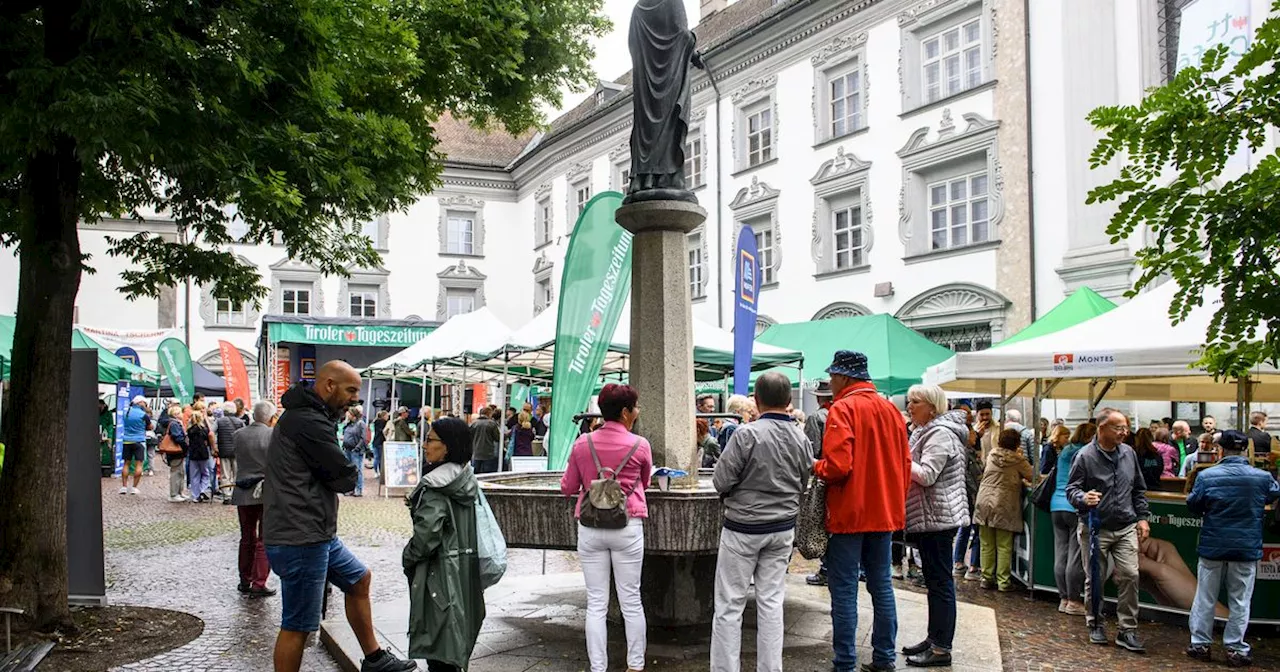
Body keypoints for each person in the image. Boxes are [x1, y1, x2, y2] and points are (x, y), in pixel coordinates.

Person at [264, 361, 416, 672]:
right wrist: (341, 472)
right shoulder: (308, 422)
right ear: (329, 385)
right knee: (298, 625)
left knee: (358, 579)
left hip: (314, 532)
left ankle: (374, 660)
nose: (354, 398)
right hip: (301, 536)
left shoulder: (309, 416)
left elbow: (337, 474)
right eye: (350, 390)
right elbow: (344, 477)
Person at [710, 372, 813, 672]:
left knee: (730, 605)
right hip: (782, 529)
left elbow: (721, 480)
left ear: (756, 400)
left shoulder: (747, 435)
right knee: (771, 602)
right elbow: (804, 482)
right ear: (789, 401)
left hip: (743, 528)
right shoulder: (801, 437)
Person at [814, 351, 911, 672]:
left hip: (849, 514)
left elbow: (838, 466)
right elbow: (905, 465)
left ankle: (845, 663)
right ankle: (884, 658)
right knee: (881, 585)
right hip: (883, 512)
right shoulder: (891, 410)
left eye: (832, 376)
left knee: (843, 591)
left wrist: (815, 466)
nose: (829, 382)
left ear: (843, 377)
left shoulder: (842, 408)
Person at [559, 384, 652, 672]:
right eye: (635, 407)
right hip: (627, 526)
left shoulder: (581, 444)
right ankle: (635, 666)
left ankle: (598, 668)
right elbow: (646, 482)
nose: (637, 412)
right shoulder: (640, 445)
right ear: (625, 412)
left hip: (590, 528)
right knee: (631, 601)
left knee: (596, 603)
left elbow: (568, 487)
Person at [1185, 430, 1280, 668]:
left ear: (1220, 450)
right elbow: (1272, 495)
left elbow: (1193, 505)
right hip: (1245, 547)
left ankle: (1200, 644)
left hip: (1213, 545)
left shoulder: (1207, 476)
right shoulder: (1262, 477)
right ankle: (1235, 648)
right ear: (1244, 450)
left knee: (1205, 597)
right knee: (1240, 600)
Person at [404, 417, 485, 671]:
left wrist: (408, 556)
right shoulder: (465, 478)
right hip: (462, 569)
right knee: (455, 642)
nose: (425, 445)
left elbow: (426, 538)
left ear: (447, 446)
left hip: (437, 574)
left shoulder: (435, 486)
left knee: (438, 649)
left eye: (430, 440)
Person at [1065, 408, 1149, 653]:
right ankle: (1095, 623)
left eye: (1125, 427)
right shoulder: (1084, 456)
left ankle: (1127, 629)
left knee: (1131, 575)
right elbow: (1071, 489)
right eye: (1118, 427)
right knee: (1096, 579)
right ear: (1102, 428)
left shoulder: (1129, 453)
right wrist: (1083, 497)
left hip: (1125, 525)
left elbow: (1138, 489)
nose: (1124, 432)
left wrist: (1142, 518)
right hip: (1094, 526)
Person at [902, 385, 969, 668]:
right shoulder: (925, 431)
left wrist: (900, 459)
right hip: (931, 517)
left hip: (939, 519)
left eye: (915, 401)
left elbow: (927, 475)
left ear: (932, 406)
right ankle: (934, 638)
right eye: (909, 401)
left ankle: (941, 648)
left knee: (941, 583)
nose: (909, 406)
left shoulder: (940, 434)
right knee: (934, 582)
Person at [973, 428, 1033, 592]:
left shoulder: (992, 455)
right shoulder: (1018, 460)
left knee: (986, 544)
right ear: (1017, 444)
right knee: (1003, 545)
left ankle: (986, 578)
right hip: (1004, 504)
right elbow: (1033, 477)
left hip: (984, 501)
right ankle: (1003, 582)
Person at [232, 400, 277, 598]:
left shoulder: (238, 435)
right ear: (270, 417)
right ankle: (259, 582)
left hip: (243, 490)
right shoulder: (273, 435)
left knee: (247, 537)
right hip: (266, 490)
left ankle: (244, 578)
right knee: (263, 538)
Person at [1049, 422, 1095, 616]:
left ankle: (1063, 598)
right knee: (1075, 557)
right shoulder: (1085, 452)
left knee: (1061, 553)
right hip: (1074, 505)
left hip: (1056, 505)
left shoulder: (1066, 450)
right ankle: (1074, 600)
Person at [803, 380, 835, 587]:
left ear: (818, 397)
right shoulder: (841, 414)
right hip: (841, 476)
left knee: (821, 523)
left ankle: (825, 569)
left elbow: (810, 450)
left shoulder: (817, 417)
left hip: (823, 473)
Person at [119, 396, 152, 495]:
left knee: (126, 464)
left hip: (126, 440)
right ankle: (134, 488)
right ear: (141, 403)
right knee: (139, 464)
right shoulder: (143, 415)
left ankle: (124, 486)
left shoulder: (126, 413)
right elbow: (150, 426)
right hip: (139, 441)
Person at [215, 401, 246, 503]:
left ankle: (227, 495)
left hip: (223, 451)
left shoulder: (219, 421)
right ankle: (236, 493)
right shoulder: (240, 422)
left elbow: (211, 432)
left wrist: (214, 447)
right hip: (237, 451)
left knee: (225, 474)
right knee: (237, 473)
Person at [159, 403, 189, 502]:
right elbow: (177, 437)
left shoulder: (175, 423)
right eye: (180, 412)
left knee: (180, 472)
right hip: (175, 452)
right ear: (176, 414)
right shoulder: (174, 424)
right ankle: (174, 494)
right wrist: (185, 446)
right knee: (176, 472)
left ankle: (179, 492)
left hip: (178, 452)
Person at [186, 410, 217, 503]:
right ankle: (203, 489)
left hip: (193, 453)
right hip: (203, 453)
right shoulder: (204, 430)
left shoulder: (190, 430)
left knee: (194, 475)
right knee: (205, 473)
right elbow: (210, 434)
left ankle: (196, 495)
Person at [342, 407, 369, 496]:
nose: (347, 415)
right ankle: (351, 489)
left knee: (357, 470)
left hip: (355, 451)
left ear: (353, 414)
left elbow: (363, 438)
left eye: (349, 413)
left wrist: (357, 448)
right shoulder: (349, 424)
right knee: (349, 471)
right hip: (347, 450)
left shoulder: (361, 424)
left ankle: (358, 489)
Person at [469, 407, 502, 474]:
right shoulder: (492, 424)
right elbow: (497, 438)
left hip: (476, 453)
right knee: (487, 475)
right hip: (488, 453)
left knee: (475, 474)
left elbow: (469, 437)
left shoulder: (473, 424)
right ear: (489, 414)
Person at [371, 410, 389, 477]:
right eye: (387, 416)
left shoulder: (376, 422)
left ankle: (376, 472)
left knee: (376, 458)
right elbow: (384, 431)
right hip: (381, 442)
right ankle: (380, 472)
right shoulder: (383, 422)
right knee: (380, 458)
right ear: (384, 416)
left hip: (375, 441)